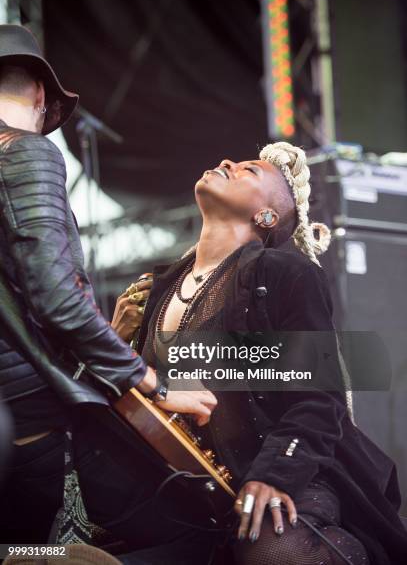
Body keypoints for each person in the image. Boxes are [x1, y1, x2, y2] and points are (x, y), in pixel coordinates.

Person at [115, 142, 407, 564]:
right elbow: (144, 400)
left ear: (266, 217)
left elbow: (318, 401)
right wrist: (115, 335)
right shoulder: (157, 289)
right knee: (45, 553)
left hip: (282, 483)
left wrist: (274, 476)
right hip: (186, 493)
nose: (226, 162)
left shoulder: (284, 273)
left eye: (248, 170)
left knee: (275, 549)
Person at [0, 24, 217, 555]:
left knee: (21, 552)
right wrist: (146, 378)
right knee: (191, 534)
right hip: (31, 416)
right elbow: (53, 296)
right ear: (40, 95)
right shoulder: (25, 152)